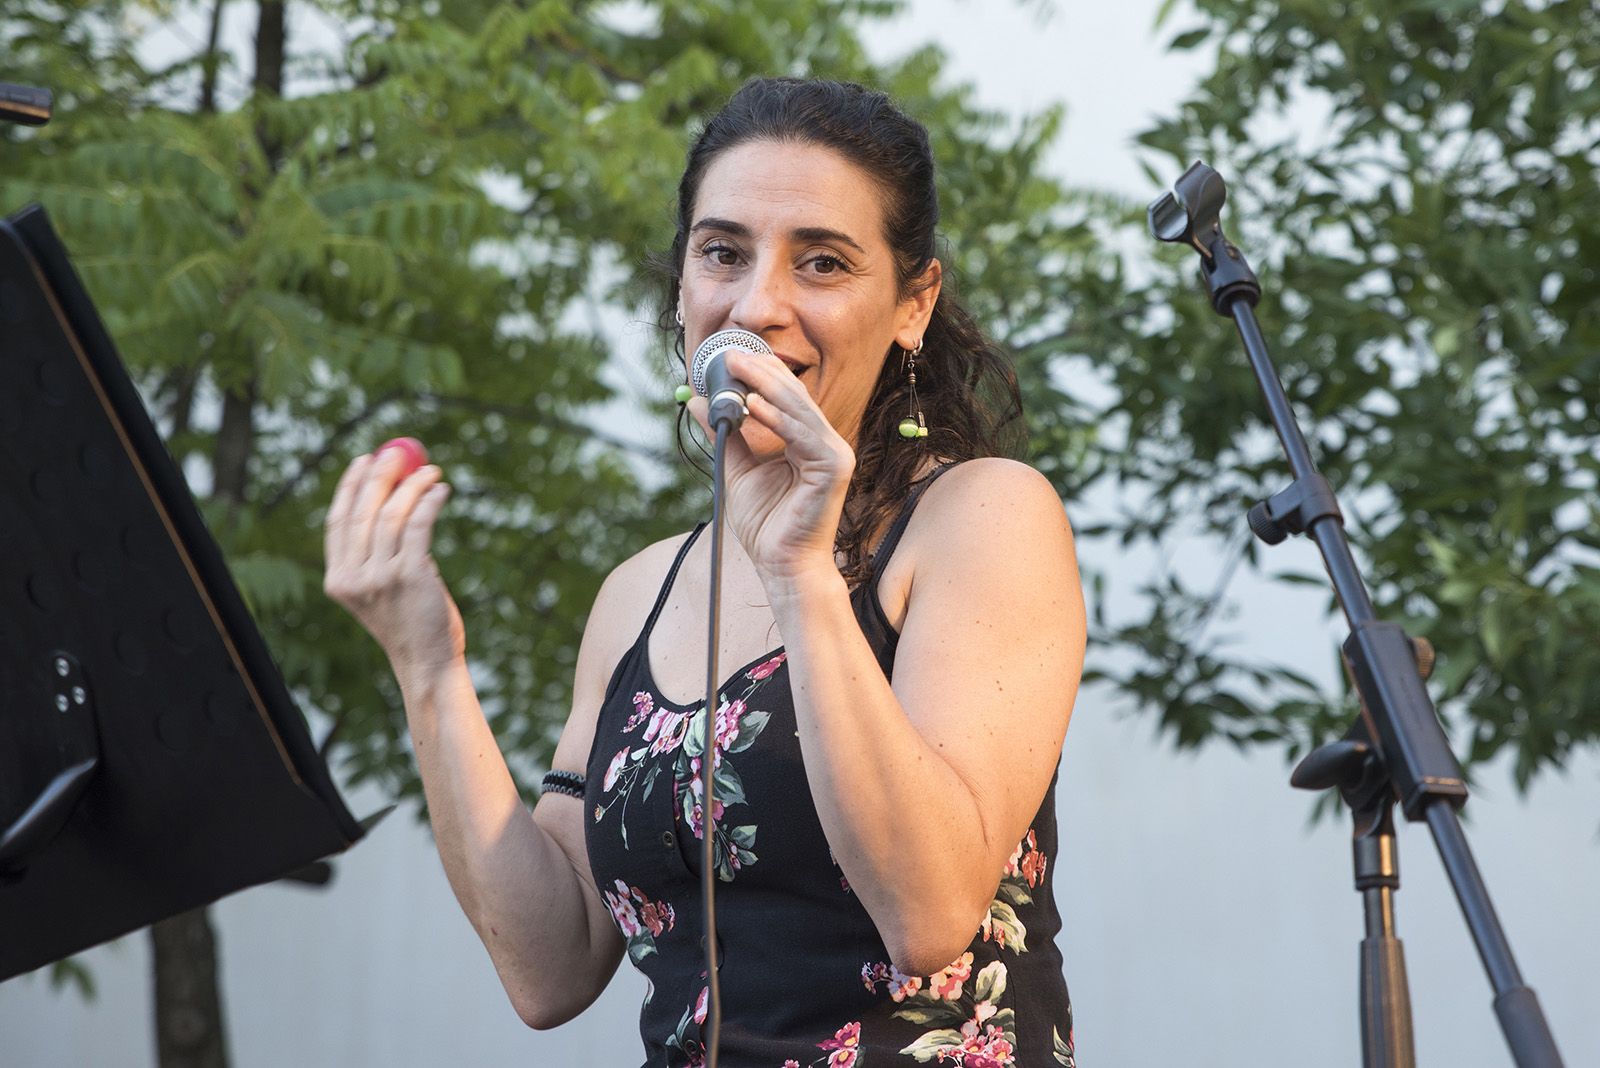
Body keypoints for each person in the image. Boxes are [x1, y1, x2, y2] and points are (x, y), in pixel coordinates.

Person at [323, 77, 1085, 1067]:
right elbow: (550, 968)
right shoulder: (637, 593)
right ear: (682, 287)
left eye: (821, 262)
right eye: (722, 253)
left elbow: (929, 909)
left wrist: (800, 572)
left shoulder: (982, 516)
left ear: (913, 303)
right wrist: (428, 669)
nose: (758, 305)